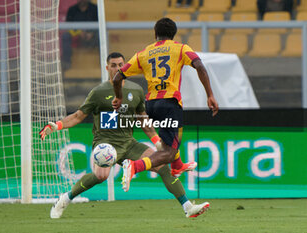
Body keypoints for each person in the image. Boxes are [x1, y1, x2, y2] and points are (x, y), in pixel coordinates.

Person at [40, 52, 210, 219]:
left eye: (121, 65)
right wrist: (57, 125)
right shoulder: (98, 92)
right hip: (105, 144)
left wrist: (156, 141)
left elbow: (143, 119)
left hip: (129, 144)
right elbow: (78, 116)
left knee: (163, 166)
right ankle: (65, 199)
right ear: (107, 68)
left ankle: (188, 207)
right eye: (113, 65)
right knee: (101, 176)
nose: (117, 68)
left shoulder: (135, 90)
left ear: (126, 67)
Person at [112, 18, 219, 192]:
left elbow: (118, 77)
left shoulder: (144, 53)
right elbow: (199, 65)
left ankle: (178, 167)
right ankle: (135, 167)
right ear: (174, 34)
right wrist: (210, 94)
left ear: (155, 34)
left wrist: (118, 97)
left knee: (169, 143)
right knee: (168, 151)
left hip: (151, 105)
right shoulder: (181, 48)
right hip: (170, 103)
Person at [61, 0, 98, 71]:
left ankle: (103, 63)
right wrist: (79, 32)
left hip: (92, 38)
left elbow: (100, 25)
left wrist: (91, 33)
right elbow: (68, 27)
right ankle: (66, 63)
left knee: (103, 36)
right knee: (65, 36)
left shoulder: (95, 8)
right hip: (77, 37)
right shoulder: (72, 9)